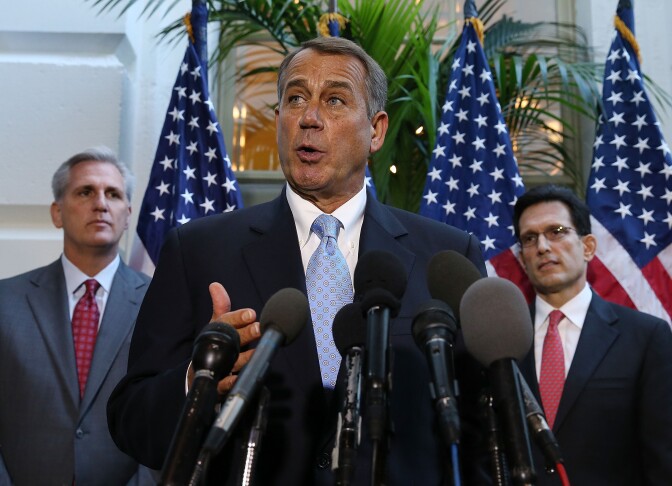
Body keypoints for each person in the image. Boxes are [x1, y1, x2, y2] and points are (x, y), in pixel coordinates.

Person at [108, 37, 489, 485]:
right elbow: (133, 424)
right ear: (278, 121)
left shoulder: (445, 257)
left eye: (334, 100)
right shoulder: (198, 252)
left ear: (377, 131)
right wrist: (201, 378)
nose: (309, 118)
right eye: (295, 98)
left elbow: (485, 430)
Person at [0, 147, 156, 485]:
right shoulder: (5, 302)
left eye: (112, 194)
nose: (100, 203)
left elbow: (169, 418)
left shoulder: (160, 304)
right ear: (57, 213)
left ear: (128, 215)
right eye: (85, 192)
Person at [513, 184, 672, 485]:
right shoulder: (500, 338)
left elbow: (663, 457)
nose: (543, 247)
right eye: (529, 238)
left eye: (556, 231)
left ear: (587, 247)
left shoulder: (645, 337)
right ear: (522, 258)